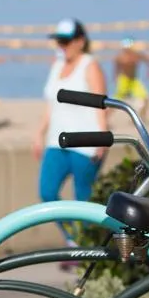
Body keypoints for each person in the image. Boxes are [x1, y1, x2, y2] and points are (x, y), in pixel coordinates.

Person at [34, 19, 107, 249]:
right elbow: (50, 105)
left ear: (80, 41)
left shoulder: (90, 65)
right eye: (59, 41)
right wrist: (39, 132)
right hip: (56, 141)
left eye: (65, 41)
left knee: (84, 199)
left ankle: (88, 249)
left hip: (85, 142)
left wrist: (102, 138)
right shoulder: (56, 65)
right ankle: (74, 240)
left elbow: (100, 103)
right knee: (47, 191)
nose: (61, 46)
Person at [113, 37, 149, 119]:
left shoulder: (136, 55)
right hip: (124, 80)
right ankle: (105, 118)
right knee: (115, 101)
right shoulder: (120, 57)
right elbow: (116, 68)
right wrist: (115, 78)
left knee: (146, 98)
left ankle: (141, 117)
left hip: (134, 80)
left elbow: (148, 60)